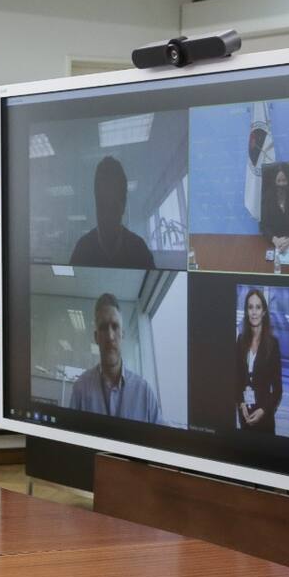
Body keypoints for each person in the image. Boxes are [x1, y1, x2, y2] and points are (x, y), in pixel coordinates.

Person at [69, 293, 163, 424]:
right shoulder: (80, 389)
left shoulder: (145, 393)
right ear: (96, 337)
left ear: (122, 334)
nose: (110, 336)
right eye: (103, 328)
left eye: (115, 326)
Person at [70, 156, 154, 269]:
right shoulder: (82, 248)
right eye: (102, 206)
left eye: (113, 207)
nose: (106, 216)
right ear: (96, 203)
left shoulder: (139, 249)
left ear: (123, 206)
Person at [235, 288, 282, 435]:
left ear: (264, 312)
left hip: (265, 420)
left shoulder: (273, 344)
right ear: (246, 311)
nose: (254, 312)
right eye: (250, 307)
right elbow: (236, 380)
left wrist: (263, 410)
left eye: (258, 307)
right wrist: (241, 403)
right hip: (244, 417)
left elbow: (278, 390)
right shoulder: (240, 340)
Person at [259, 166, 289, 255]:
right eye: (278, 181)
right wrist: (275, 240)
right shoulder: (268, 197)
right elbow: (263, 226)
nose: (281, 184)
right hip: (272, 243)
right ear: (274, 181)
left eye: (284, 180)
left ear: (288, 181)